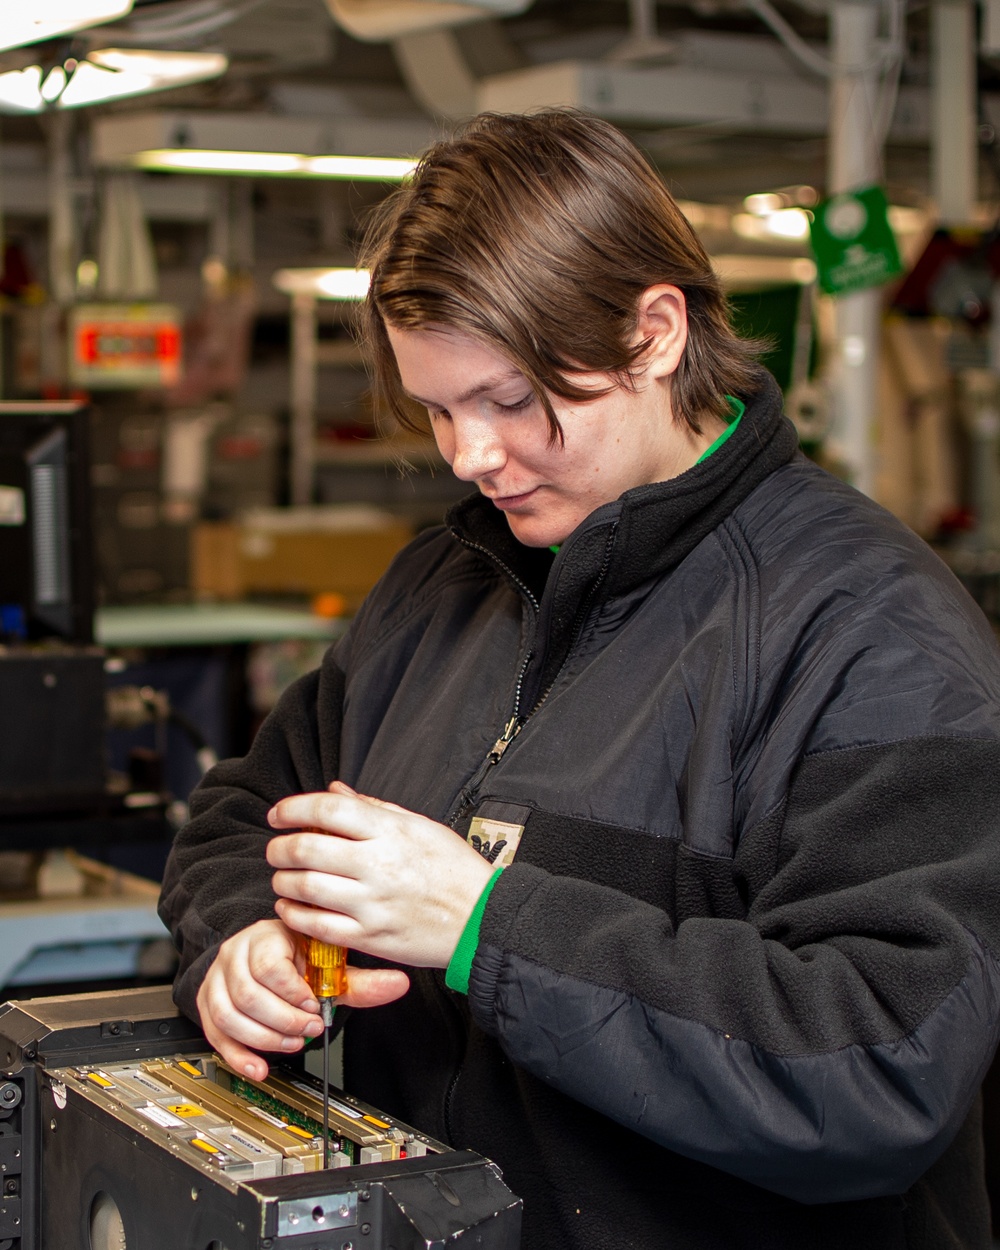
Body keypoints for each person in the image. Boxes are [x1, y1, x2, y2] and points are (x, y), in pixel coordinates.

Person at [159, 110, 1000, 1250]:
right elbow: (244, 811)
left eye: (510, 401)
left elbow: (881, 1059)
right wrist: (242, 939)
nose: (469, 455)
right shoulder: (443, 581)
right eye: (439, 408)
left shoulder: (872, 631)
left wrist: (481, 925)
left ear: (655, 332)